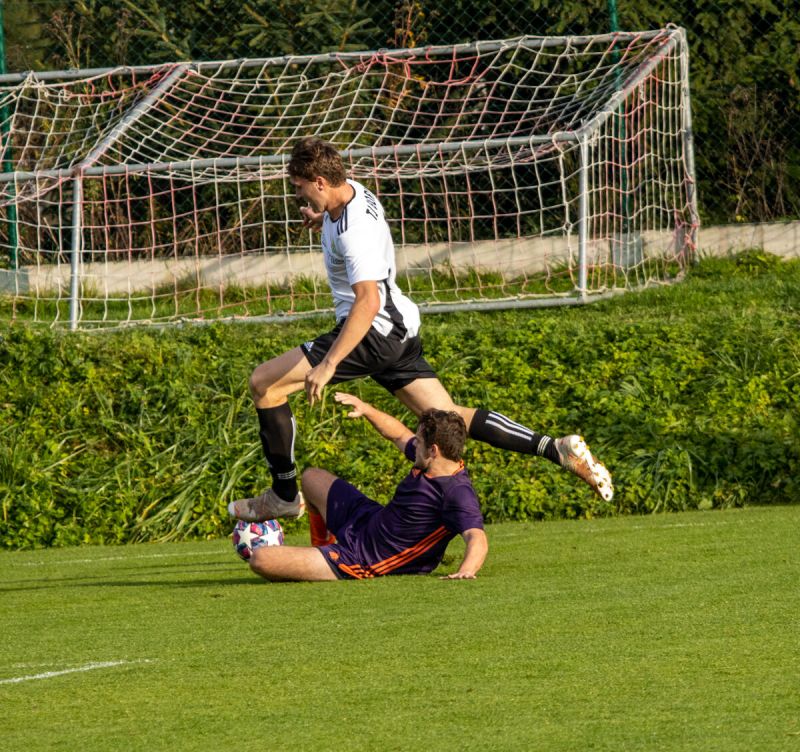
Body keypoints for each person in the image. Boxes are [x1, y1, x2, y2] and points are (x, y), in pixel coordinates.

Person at [228, 137, 612, 531]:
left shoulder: (353, 232)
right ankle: (555, 448)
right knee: (449, 423)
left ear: (321, 182)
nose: (298, 193)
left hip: (370, 332)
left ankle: (285, 495)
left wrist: (329, 364)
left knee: (265, 385)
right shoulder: (352, 194)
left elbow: (367, 302)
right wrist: (320, 219)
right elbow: (346, 233)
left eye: (300, 186)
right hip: (397, 332)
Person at [247, 392, 488, 581]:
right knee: (312, 478)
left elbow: (476, 537)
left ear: (434, 451)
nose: (415, 443)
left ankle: (327, 558)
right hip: (365, 520)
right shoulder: (431, 462)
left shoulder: (457, 492)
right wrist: (366, 408)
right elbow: (397, 435)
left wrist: (466, 570)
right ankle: (322, 547)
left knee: (261, 559)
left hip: (364, 558)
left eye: (421, 440)